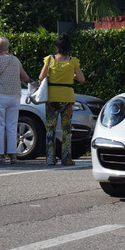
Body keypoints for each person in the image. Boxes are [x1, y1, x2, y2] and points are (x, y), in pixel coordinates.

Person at [39, 33, 85, 166]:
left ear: (56, 47)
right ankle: (66, 158)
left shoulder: (49, 60)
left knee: (50, 128)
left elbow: (41, 77)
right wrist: (72, 75)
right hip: (67, 98)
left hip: (52, 97)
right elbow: (81, 79)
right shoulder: (73, 61)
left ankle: (50, 158)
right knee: (66, 129)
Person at [0, 36, 29, 164]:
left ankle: (0, 156)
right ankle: (13, 156)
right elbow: (25, 77)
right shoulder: (15, 60)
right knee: (12, 126)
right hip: (14, 96)